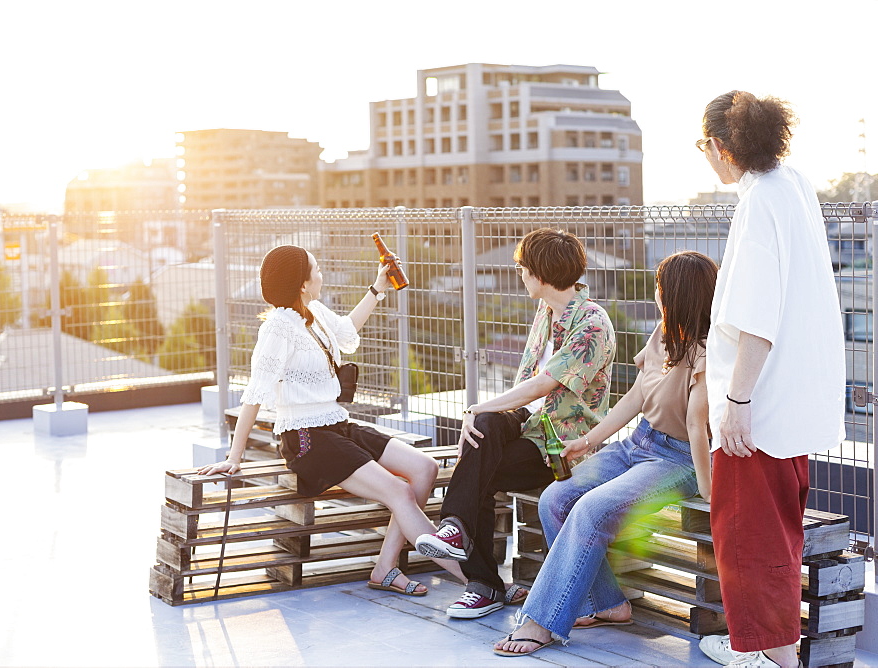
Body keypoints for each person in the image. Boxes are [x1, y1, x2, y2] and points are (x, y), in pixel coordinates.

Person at [197, 244, 465, 595]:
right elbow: (255, 394)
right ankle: (477, 579)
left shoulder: (315, 312)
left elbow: (346, 334)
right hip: (305, 437)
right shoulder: (277, 328)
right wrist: (234, 457)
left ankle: (385, 568)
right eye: (317, 269)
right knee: (399, 491)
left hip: (337, 424)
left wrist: (377, 288)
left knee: (424, 468)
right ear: (302, 283)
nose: (322, 274)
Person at [492, 250, 717, 657]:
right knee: (556, 499)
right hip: (638, 443)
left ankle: (542, 621)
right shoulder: (665, 334)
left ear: (677, 294)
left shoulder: (706, 352)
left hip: (677, 459)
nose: (655, 294)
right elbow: (637, 395)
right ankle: (609, 605)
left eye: (660, 288)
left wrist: (707, 488)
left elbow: (699, 426)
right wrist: (592, 439)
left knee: (590, 510)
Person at [694, 92, 845, 668]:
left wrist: (736, 401)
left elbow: (754, 318)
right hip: (797, 401)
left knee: (747, 537)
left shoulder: (757, 203)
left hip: (761, 405)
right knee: (778, 534)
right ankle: (760, 648)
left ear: (719, 147)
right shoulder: (794, 184)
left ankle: (766, 657)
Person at [415, 228, 616, 619]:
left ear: (540, 274)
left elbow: (542, 385)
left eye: (523, 268)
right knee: (486, 427)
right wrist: (482, 414)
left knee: (481, 463)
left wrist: (474, 409)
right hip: (528, 425)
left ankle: (483, 582)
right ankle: (455, 529)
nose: (520, 275)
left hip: (561, 444)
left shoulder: (592, 324)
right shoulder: (547, 312)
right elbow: (525, 389)